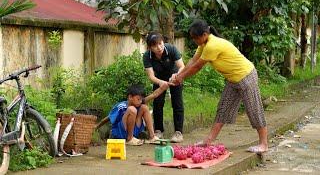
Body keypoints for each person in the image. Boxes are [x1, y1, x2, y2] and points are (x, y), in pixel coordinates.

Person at [170, 19, 268, 153]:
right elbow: (193, 61)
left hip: (246, 77)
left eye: (195, 37)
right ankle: (208, 141)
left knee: (254, 110)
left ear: (204, 34)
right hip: (232, 80)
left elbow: (198, 66)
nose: (194, 40)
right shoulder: (203, 45)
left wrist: (181, 78)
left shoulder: (212, 45)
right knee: (223, 109)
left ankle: (264, 144)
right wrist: (179, 74)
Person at [143, 32, 185, 143]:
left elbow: (182, 66)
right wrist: (161, 83)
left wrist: (176, 75)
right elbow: (151, 76)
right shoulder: (147, 56)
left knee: (177, 103)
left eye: (160, 44)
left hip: (175, 77)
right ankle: (158, 131)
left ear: (163, 42)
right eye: (155, 46)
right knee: (158, 103)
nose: (159, 47)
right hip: (158, 78)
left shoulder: (171, 49)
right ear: (150, 47)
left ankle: (178, 132)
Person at [96, 84, 168, 146]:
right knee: (132, 109)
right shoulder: (121, 106)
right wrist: (97, 126)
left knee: (144, 107)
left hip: (135, 131)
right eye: (138, 99)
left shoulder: (139, 103)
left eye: (141, 99)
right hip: (121, 132)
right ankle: (129, 139)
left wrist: (164, 86)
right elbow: (109, 117)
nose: (140, 101)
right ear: (130, 97)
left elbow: (154, 95)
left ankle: (152, 137)